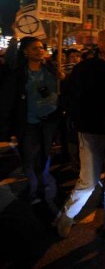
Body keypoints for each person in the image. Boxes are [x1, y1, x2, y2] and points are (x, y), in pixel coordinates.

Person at [57, 29, 105, 248]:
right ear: (99, 43)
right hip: (91, 134)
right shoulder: (85, 68)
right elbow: (71, 97)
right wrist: (78, 122)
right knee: (88, 182)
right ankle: (67, 215)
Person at [4, 37, 60, 205]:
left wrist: (62, 78)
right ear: (25, 52)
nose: (40, 51)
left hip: (49, 121)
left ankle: (42, 184)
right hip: (29, 123)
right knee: (29, 157)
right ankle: (33, 188)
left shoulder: (50, 68)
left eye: (41, 48)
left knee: (44, 155)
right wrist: (14, 38)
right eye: (34, 48)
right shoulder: (19, 72)